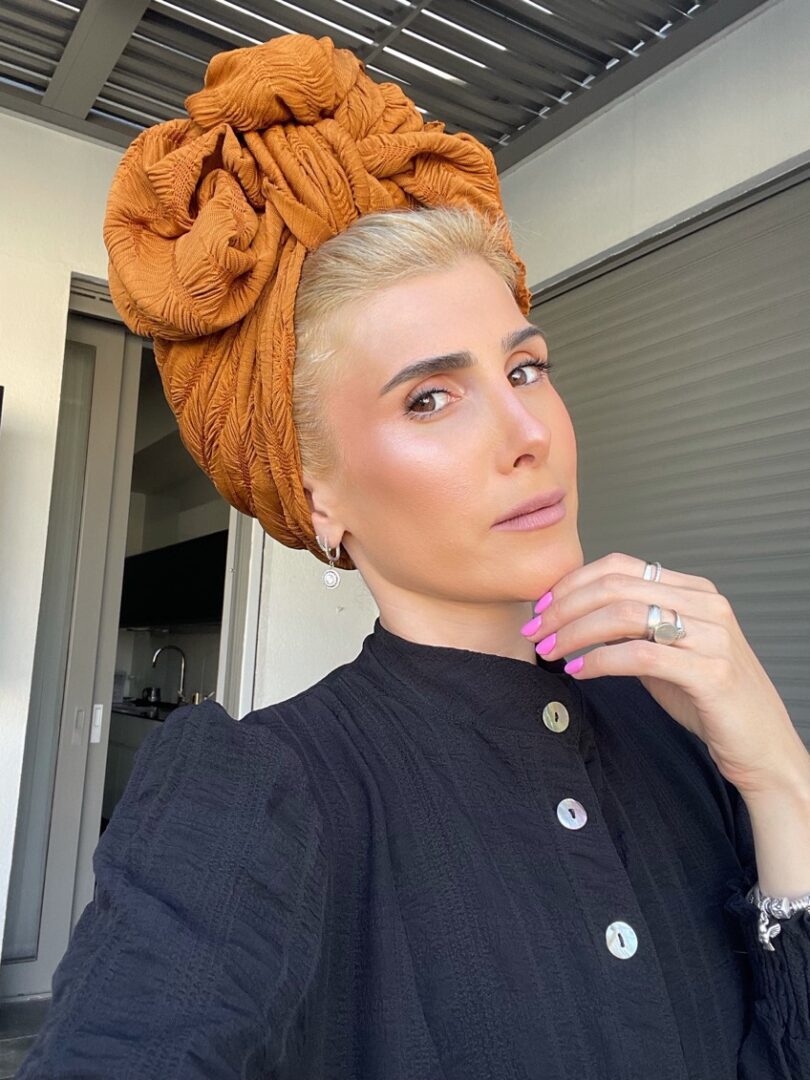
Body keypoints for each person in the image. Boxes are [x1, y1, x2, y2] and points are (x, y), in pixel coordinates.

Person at [18, 32, 810, 1080]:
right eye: (430, 397)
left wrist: (779, 774)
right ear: (317, 495)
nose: (526, 434)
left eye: (525, 369)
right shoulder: (261, 791)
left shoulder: (674, 727)